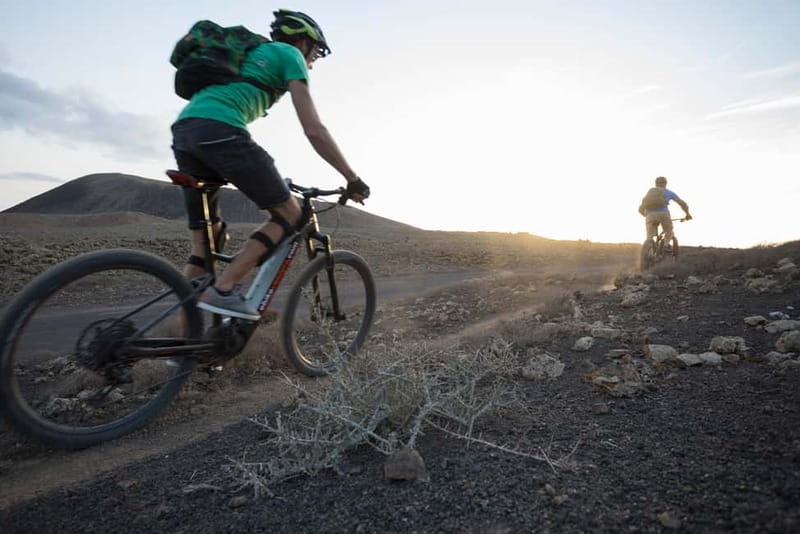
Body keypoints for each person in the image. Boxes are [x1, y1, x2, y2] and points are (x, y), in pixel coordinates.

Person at [170, 9, 369, 320]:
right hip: (221, 131)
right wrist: (352, 177)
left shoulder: (253, 54)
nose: (314, 59)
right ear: (303, 41)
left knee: (205, 246)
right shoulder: (290, 54)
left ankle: (183, 350)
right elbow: (314, 129)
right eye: (316, 50)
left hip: (185, 132)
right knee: (291, 213)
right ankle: (224, 291)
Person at [638, 176, 691, 247]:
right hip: (663, 214)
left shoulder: (650, 192)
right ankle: (665, 246)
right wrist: (687, 214)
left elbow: (642, 206)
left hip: (650, 214)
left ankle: (648, 250)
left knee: (649, 236)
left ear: (655, 183)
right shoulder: (669, 192)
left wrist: (646, 215)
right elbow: (682, 203)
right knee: (669, 230)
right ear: (665, 183)